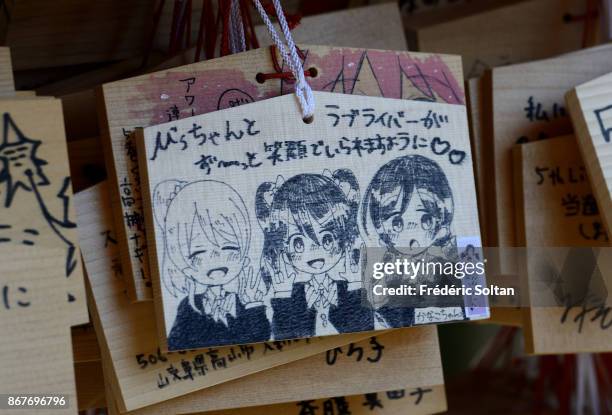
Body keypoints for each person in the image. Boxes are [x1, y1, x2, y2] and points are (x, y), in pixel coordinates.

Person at [256, 170, 373, 338]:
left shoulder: (350, 288)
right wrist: (282, 295)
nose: (314, 250)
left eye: (327, 239)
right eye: (298, 243)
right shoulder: (289, 295)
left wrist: (355, 284)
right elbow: (284, 342)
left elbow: (365, 334)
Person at [160, 180, 270, 349]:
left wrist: (253, 305)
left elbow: (262, 338)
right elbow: (177, 345)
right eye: (198, 252)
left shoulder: (244, 301)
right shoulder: (188, 308)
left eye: (229, 247)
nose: (215, 256)